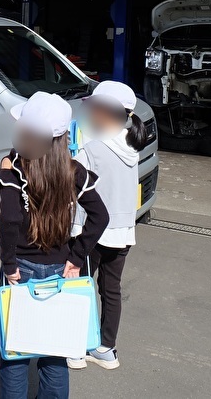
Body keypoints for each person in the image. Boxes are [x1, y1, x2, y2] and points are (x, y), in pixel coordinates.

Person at [0, 92, 109, 399]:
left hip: (20, 268)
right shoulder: (72, 170)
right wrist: (76, 256)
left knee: (17, 351)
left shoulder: (14, 169)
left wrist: (8, 264)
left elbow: (9, 220)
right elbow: (100, 216)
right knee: (55, 352)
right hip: (60, 267)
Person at [67, 81, 149, 372]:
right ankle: (106, 349)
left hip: (92, 231)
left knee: (80, 286)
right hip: (124, 230)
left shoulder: (95, 145)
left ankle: (76, 349)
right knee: (110, 290)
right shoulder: (130, 141)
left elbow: (70, 176)